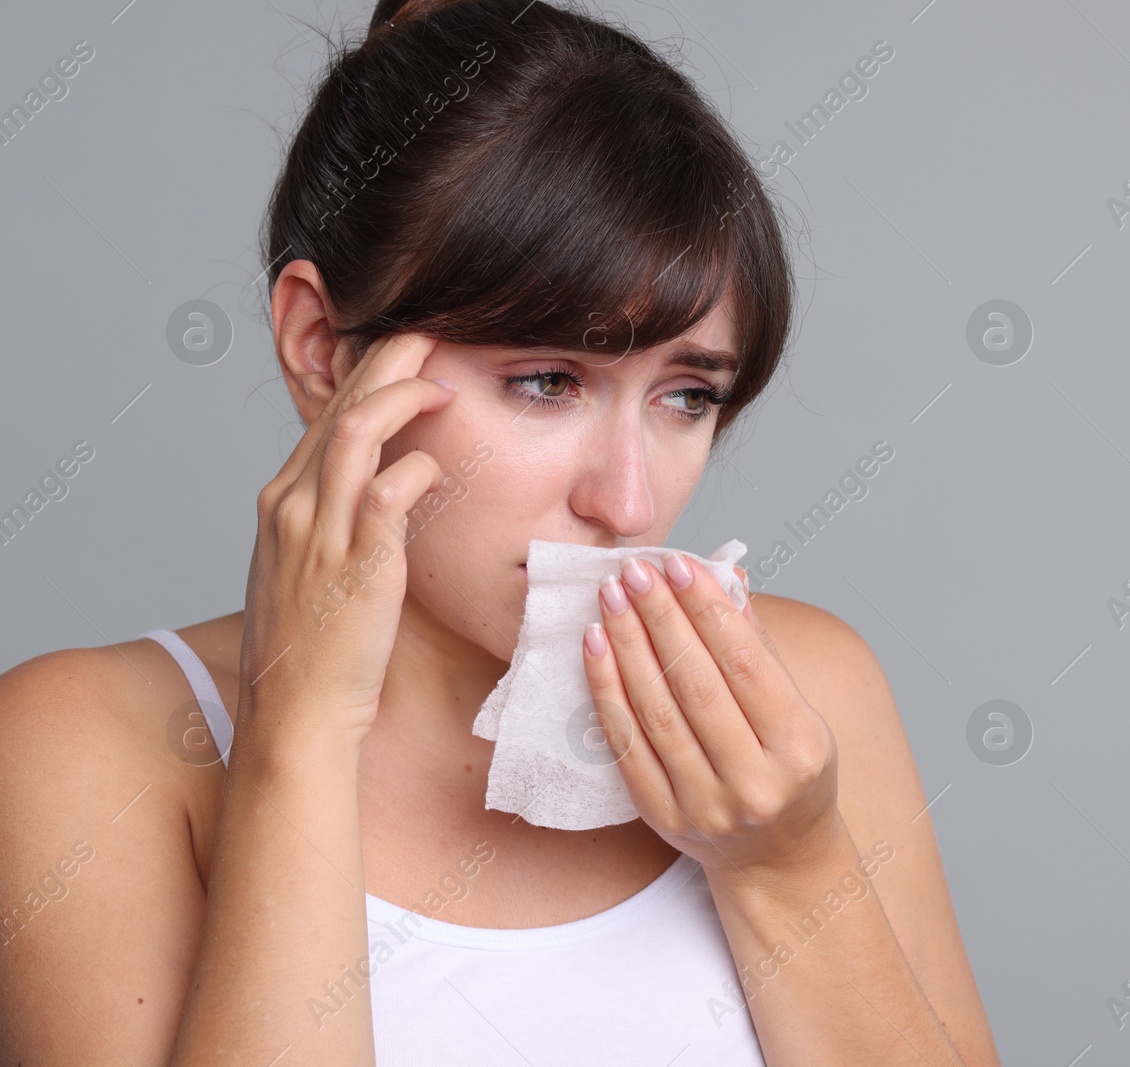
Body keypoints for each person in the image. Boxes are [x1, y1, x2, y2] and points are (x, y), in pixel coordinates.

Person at [0, 1, 999, 1063]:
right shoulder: (84, 748)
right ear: (323, 350)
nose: (626, 502)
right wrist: (295, 732)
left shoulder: (798, 694)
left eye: (686, 396)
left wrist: (784, 866)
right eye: (545, 380)